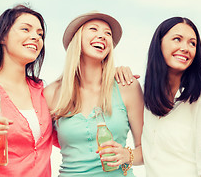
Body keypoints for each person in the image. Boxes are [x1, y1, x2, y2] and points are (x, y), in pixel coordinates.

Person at [43, 12, 144, 177]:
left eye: (108, 33)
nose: (102, 36)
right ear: (77, 39)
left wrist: (127, 155)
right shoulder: (52, 93)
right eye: (93, 29)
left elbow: (148, 149)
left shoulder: (127, 86)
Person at [0, 5, 53, 176]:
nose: (35, 37)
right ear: (3, 37)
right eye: (25, 29)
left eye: (40, 34)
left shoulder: (42, 91)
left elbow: (71, 134)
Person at [139, 17, 201, 177]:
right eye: (177, 39)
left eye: (192, 43)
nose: (186, 48)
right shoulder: (144, 95)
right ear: (159, 43)